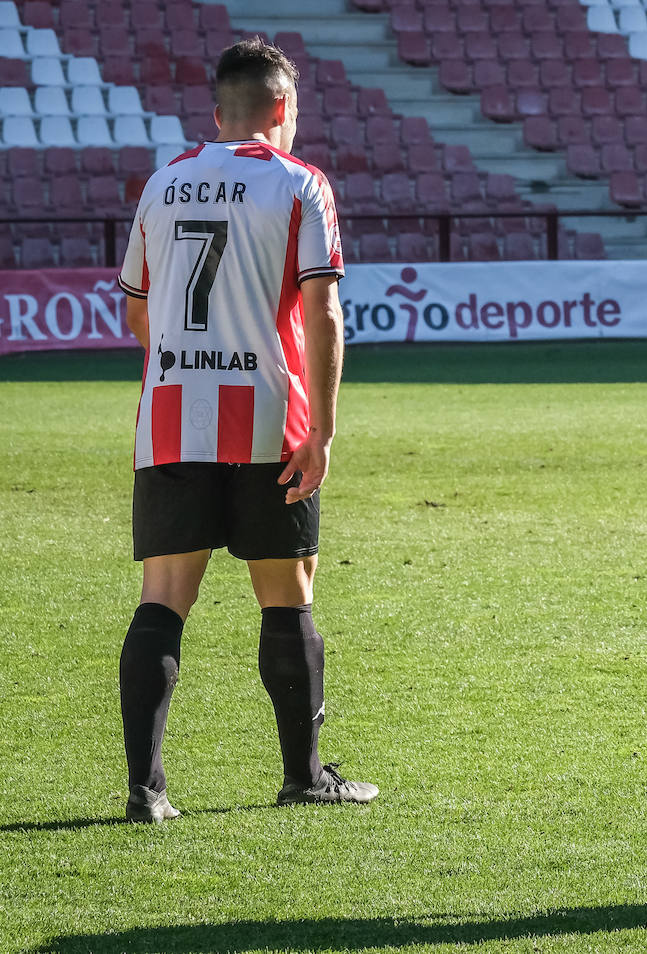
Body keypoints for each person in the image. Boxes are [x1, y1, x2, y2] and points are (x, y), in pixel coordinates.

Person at [116, 37, 377, 822]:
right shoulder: (300, 185)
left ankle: (145, 791)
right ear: (282, 109)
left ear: (218, 109)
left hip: (170, 419)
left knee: (162, 599)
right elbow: (323, 311)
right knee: (287, 597)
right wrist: (324, 430)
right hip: (270, 418)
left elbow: (136, 309)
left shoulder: (163, 184)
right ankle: (302, 776)